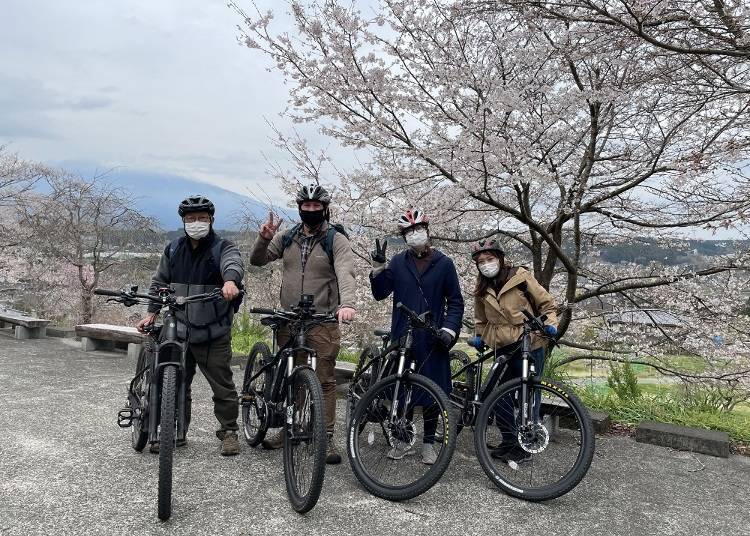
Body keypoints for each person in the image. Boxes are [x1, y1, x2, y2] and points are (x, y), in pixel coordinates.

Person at [249, 184, 356, 464]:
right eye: (305, 206)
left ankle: (326, 438)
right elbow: (257, 260)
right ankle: (290, 428)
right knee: (292, 377)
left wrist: (347, 304)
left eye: (315, 206)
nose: (311, 210)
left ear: (324, 208)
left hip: (322, 319)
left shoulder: (336, 239)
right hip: (290, 318)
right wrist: (263, 239)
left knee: (324, 380)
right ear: (299, 208)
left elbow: (346, 272)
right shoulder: (287, 237)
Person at [136, 195, 244, 456]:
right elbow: (159, 282)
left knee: (222, 384)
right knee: (174, 381)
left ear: (211, 220)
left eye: (202, 219)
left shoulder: (222, 247)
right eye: (191, 219)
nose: (196, 223)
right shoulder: (173, 250)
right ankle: (175, 431)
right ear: (184, 221)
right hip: (179, 327)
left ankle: (228, 431)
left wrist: (230, 282)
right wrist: (151, 312)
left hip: (213, 330)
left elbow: (233, 264)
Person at [369, 208, 464, 465]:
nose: (415, 235)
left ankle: (429, 443)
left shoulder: (444, 264)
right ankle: (402, 437)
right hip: (404, 335)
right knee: (403, 388)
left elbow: (455, 302)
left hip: (433, 337)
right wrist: (379, 268)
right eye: (409, 232)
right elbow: (380, 293)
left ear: (428, 231)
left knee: (433, 391)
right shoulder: (399, 262)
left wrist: (449, 330)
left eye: (418, 229)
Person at [468, 238, 558, 463]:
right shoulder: (482, 288)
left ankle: (527, 442)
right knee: (500, 396)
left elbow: (547, 304)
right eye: (481, 262)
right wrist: (480, 337)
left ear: (500, 258)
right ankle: (509, 440)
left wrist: (550, 324)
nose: (486, 264)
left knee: (529, 393)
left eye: (490, 259)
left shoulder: (521, 277)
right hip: (502, 347)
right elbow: (480, 318)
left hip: (529, 343)